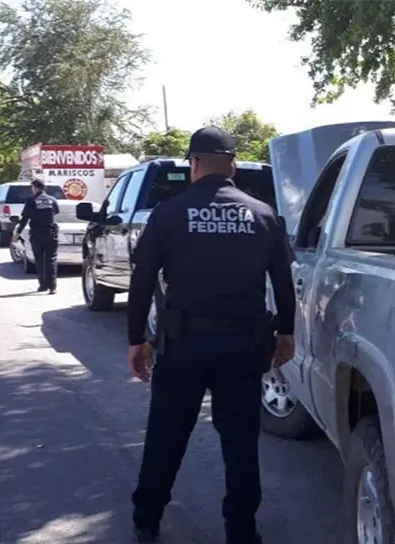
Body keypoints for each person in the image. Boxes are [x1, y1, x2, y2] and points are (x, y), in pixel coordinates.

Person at [127, 126, 297, 544]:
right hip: (244, 347)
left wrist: (136, 340)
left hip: (183, 346)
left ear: (195, 163)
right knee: (240, 442)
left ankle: (146, 522)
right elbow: (283, 280)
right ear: (233, 165)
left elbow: (142, 280)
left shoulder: (168, 214)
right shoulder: (263, 214)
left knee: (166, 436)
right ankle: (241, 530)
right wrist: (287, 331)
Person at [12, 178, 60, 293]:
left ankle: (43, 285)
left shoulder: (31, 200)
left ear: (35, 187)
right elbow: (56, 212)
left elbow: (24, 219)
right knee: (51, 260)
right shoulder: (52, 200)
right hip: (51, 233)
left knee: (39, 260)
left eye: (31, 187)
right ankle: (52, 287)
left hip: (37, 234)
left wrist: (17, 234)